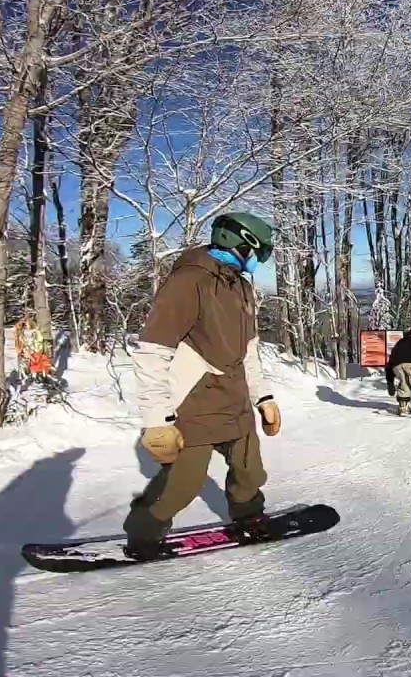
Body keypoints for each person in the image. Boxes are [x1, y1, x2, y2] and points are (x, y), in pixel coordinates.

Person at [125, 212, 281, 560]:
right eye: (259, 252)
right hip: (195, 401)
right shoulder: (188, 281)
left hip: (235, 399)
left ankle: (248, 516)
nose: (259, 261)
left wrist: (264, 397)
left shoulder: (240, 285)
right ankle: (143, 533)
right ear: (242, 244)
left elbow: (249, 349)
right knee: (184, 483)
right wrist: (157, 421)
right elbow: (152, 351)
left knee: (250, 471)